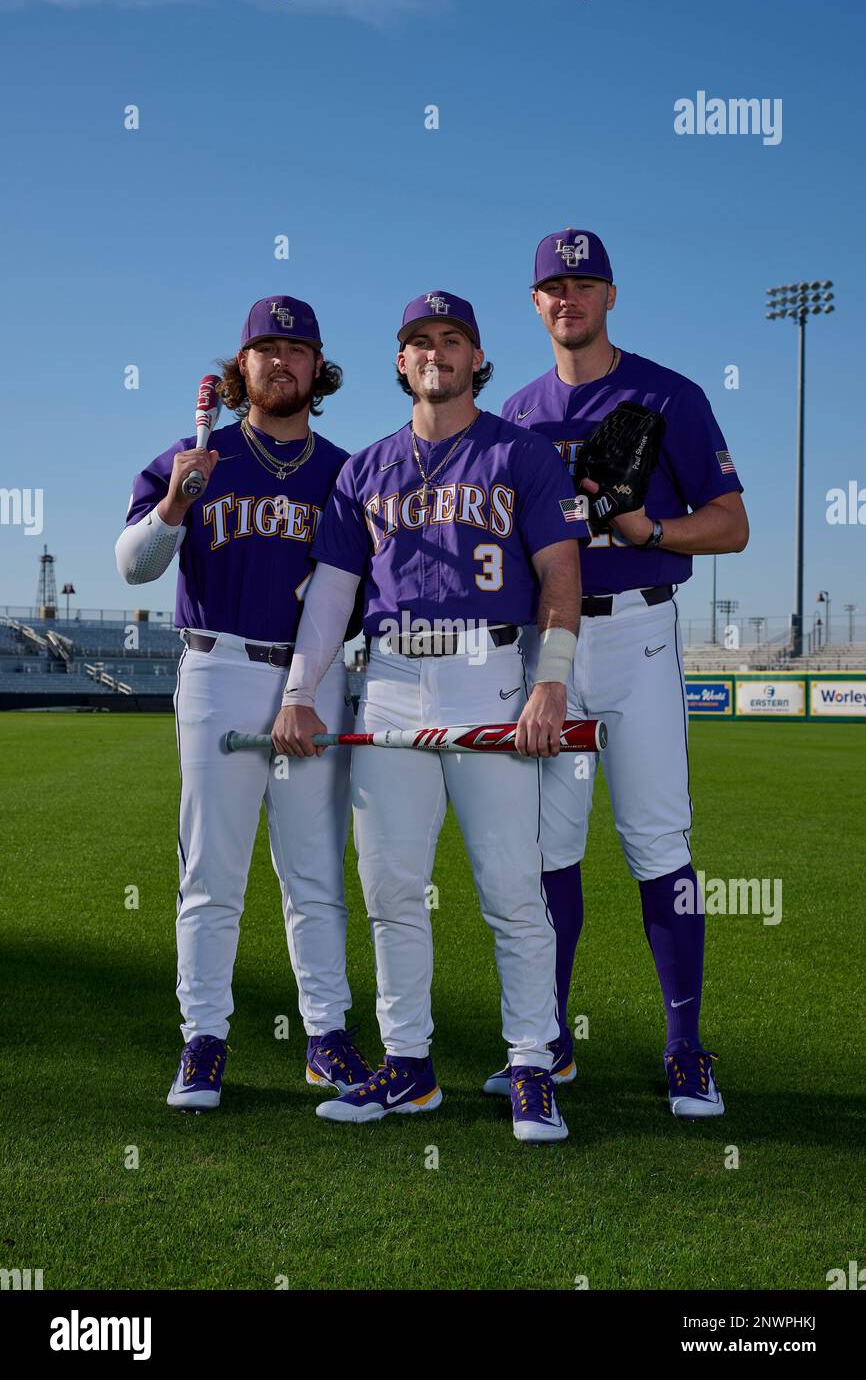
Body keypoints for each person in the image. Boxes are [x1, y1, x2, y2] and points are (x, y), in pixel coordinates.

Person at [272, 291, 588, 1143]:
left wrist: (550, 682)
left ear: (477, 359)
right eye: (420, 341)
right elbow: (334, 593)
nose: (437, 352)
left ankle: (530, 1063)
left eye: (453, 340)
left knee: (513, 890)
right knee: (392, 890)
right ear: (402, 362)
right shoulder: (364, 468)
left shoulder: (520, 454)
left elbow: (561, 571)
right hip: (392, 679)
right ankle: (407, 1065)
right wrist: (301, 690)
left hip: (489, 676)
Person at [487, 230, 748, 1117]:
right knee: (548, 849)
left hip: (638, 637)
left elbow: (732, 523)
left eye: (585, 283)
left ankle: (685, 1047)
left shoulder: (668, 393)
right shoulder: (513, 414)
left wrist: (650, 531)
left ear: (610, 295)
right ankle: (550, 1043)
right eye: (554, 287)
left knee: (658, 843)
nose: (570, 298)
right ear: (535, 303)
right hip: (542, 646)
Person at [115, 295, 370, 1110]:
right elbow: (132, 567)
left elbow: (360, 588)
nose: (281, 361)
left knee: (315, 871)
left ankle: (326, 1038)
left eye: (296, 349)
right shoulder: (199, 455)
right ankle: (204, 1040)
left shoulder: (346, 469)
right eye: (266, 348)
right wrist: (174, 504)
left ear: (317, 366)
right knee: (212, 869)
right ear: (242, 366)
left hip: (314, 674)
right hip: (216, 664)